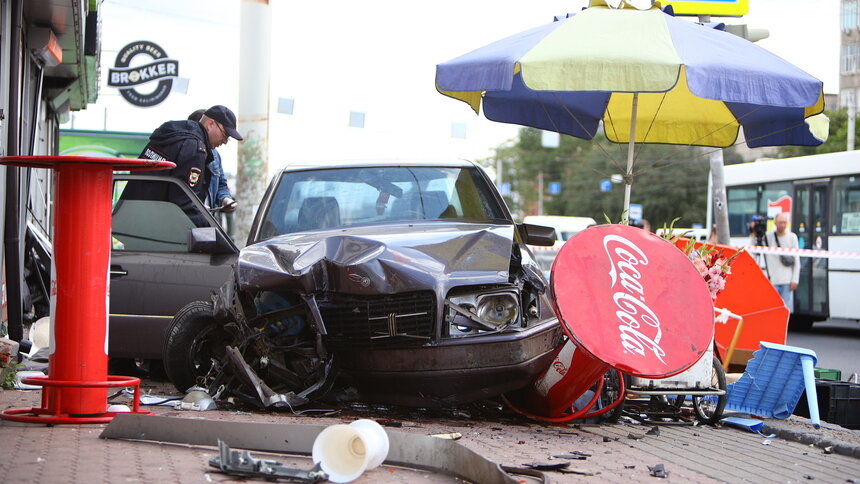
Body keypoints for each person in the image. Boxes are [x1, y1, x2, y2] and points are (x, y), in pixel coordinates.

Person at [122, 105, 242, 225]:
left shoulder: (171, 136)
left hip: (132, 217)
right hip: (157, 227)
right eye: (225, 135)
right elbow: (184, 202)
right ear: (211, 124)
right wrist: (209, 228)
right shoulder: (193, 148)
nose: (225, 142)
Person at [188, 109, 237, 213]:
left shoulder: (215, 156)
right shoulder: (185, 152)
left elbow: (221, 184)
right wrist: (194, 208)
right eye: (225, 136)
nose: (225, 142)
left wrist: (225, 199)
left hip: (207, 222)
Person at [754, 212, 801, 310]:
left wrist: (795, 280)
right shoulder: (768, 237)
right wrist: (754, 233)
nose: (783, 225)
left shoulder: (792, 237)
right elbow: (755, 249)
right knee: (772, 309)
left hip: (786, 281)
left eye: (785, 222)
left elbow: (796, 260)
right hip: (772, 280)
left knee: (784, 309)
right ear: (775, 223)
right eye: (780, 222)